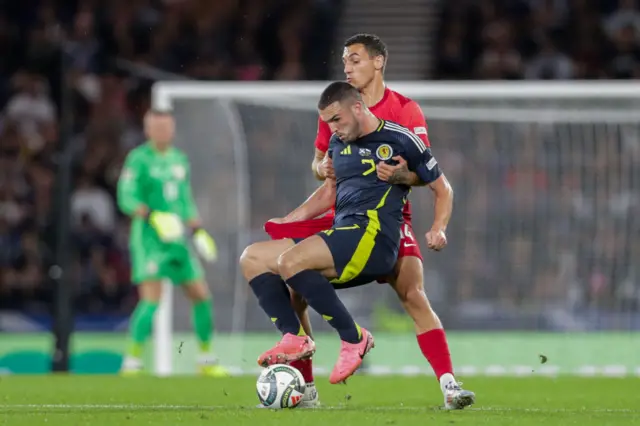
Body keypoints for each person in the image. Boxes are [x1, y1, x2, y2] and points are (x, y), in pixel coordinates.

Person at [265, 34, 475, 409]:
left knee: (412, 294)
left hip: (392, 216)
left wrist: (402, 181)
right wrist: (320, 167)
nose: (347, 66)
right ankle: (309, 388)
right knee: (295, 284)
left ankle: (449, 385)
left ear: (378, 62)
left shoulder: (405, 111)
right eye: (345, 60)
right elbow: (319, 167)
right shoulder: (335, 108)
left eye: (355, 59)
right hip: (344, 210)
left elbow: (422, 173)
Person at [240, 81, 450, 387]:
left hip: (376, 236)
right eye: (327, 123)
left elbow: (442, 188)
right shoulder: (338, 145)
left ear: (357, 107)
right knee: (253, 257)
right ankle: (294, 338)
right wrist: (289, 219)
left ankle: (354, 338)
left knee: (291, 262)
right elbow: (329, 194)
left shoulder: (399, 138)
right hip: (343, 231)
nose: (333, 129)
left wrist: (437, 228)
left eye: (337, 120)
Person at [117, 110, 226, 377]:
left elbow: (184, 199)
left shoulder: (179, 160)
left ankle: (206, 359)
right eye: (157, 127)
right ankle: (132, 361)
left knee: (201, 295)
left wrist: (197, 228)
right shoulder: (138, 159)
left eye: (166, 127)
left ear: (172, 129)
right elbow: (126, 196)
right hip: (150, 240)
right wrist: (152, 216)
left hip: (178, 241)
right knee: (152, 299)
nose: (162, 132)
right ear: (148, 130)